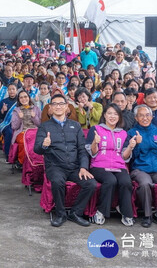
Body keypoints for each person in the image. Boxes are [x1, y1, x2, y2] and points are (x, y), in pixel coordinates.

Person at [33, 94, 96, 227]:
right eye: (54, 104)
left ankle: (75, 213)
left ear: (67, 107)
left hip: (74, 167)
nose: (58, 106)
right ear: (50, 108)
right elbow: (37, 149)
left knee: (91, 184)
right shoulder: (44, 127)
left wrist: (83, 167)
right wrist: (44, 144)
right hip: (55, 166)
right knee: (57, 181)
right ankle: (60, 214)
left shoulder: (76, 126)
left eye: (61, 103)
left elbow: (82, 149)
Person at [126, 105, 157, 229]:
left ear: (152, 116)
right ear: (136, 118)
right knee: (144, 184)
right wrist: (136, 145)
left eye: (147, 115)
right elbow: (131, 158)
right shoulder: (131, 133)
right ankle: (147, 215)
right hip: (140, 169)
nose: (145, 118)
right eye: (141, 115)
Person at [85, 103, 135, 226]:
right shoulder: (96, 129)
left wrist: (130, 147)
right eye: (109, 113)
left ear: (119, 117)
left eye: (115, 114)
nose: (112, 116)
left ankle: (126, 212)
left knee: (126, 182)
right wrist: (95, 143)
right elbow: (92, 152)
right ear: (104, 115)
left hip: (118, 165)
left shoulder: (123, 133)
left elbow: (124, 156)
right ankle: (101, 211)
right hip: (99, 165)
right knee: (110, 180)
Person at [11, 90, 41, 165]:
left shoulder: (36, 109)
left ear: (29, 98)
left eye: (25, 96)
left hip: (34, 131)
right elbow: (14, 126)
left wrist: (34, 117)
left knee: (37, 143)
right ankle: (22, 162)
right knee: (23, 142)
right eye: (21, 97)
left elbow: (40, 125)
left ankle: (36, 162)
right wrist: (20, 118)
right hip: (22, 132)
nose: (23, 99)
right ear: (19, 100)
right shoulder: (16, 111)